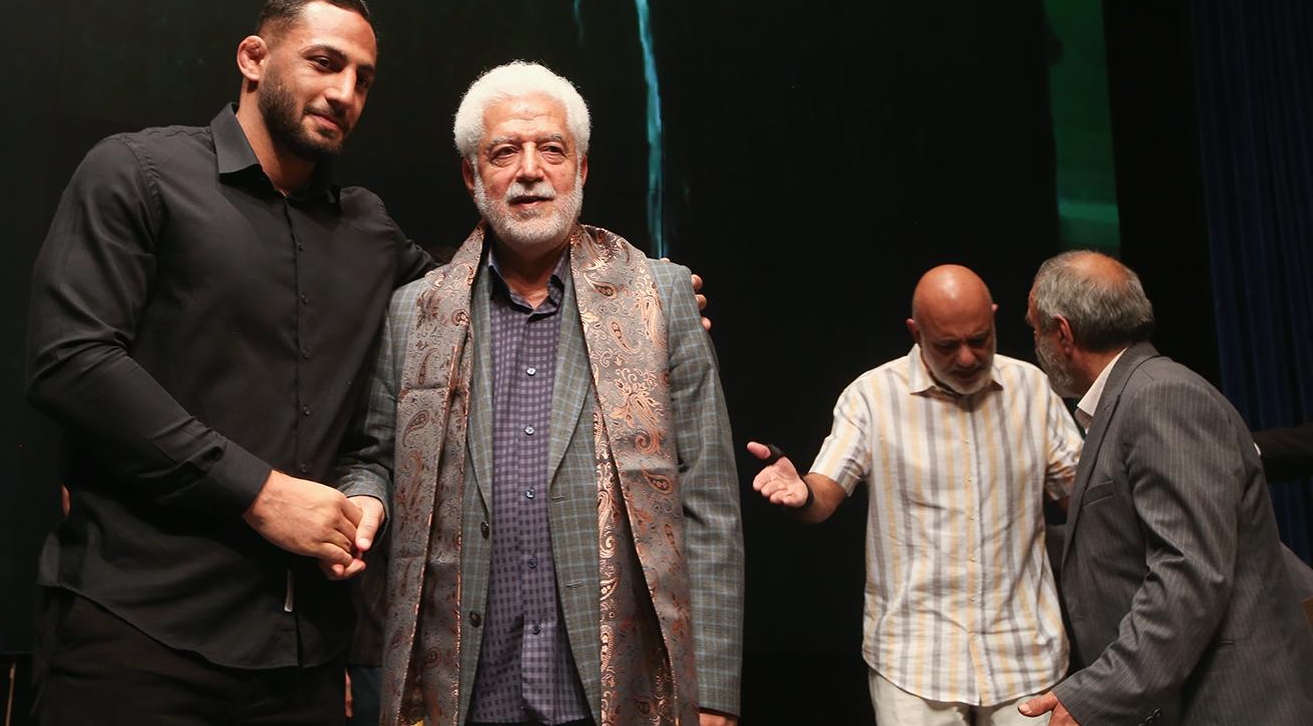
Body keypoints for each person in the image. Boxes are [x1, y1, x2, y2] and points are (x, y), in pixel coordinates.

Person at [24, 0, 435, 725]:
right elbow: (72, 362)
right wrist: (259, 492)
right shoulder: (138, 172)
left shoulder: (371, 231)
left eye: (363, 79)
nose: (344, 92)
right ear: (253, 57)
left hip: (305, 662)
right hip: (138, 635)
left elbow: (474, 306)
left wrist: (622, 288)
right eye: (324, 62)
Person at [338, 61, 743, 726]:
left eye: (551, 149)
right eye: (505, 152)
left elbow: (709, 499)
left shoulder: (662, 297)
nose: (530, 170)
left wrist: (715, 692)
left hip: (620, 680)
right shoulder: (414, 312)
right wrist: (363, 497)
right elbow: (375, 458)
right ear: (472, 175)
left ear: (581, 167)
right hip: (464, 683)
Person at [748, 264, 1081, 726]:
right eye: (946, 345)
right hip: (915, 658)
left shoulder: (1032, 389)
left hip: (1025, 651)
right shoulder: (872, 396)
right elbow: (826, 491)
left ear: (994, 317)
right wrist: (801, 493)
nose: (967, 357)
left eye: (980, 339)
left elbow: (1083, 503)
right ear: (915, 332)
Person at [1018, 251, 1313, 726]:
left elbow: (1189, 572)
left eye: (1035, 330)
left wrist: (1099, 692)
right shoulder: (1128, 399)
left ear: (1064, 334)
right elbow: (1123, 542)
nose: (1035, 344)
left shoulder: (1161, 397)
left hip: (1231, 703)